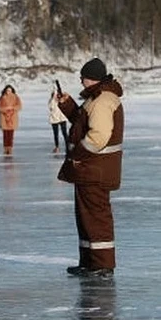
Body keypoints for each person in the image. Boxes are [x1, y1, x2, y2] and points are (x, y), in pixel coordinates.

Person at [56, 57, 124, 277]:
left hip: (95, 169)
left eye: (82, 77)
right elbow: (82, 123)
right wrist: (67, 105)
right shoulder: (96, 98)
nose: (81, 81)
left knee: (96, 218)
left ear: (90, 78)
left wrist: (78, 154)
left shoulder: (103, 100)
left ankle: (103, 266)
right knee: (86, 217)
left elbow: (99, 136)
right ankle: (89, 262)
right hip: (90, 170)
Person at [0, 84, 23, 156]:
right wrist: (6, 109)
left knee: (11, 134)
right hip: (4, 118)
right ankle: (5, 148)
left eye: (10, 90)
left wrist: (12, 108)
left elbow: (19, 106)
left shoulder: (16, 97)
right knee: (5, 134)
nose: (8, 92)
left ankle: (10, 148)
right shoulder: (2, 98)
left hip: (12, 118)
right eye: (7, 90)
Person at [48, 87, 68, 153]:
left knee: (64, 133)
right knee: (55, 133)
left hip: (62, 118)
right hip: (54, 119)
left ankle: (67, 146)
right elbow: (50, 107)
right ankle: (57, 147)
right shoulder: (52, 101)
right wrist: (53, 98)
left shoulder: (63, 100)